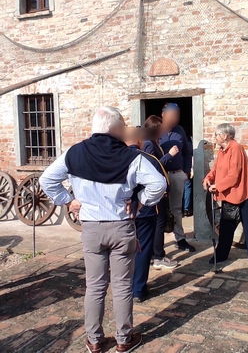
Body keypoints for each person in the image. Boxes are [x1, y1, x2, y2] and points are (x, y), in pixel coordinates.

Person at [40, 107, 166, 353]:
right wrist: (141, 200)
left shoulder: (74, 153)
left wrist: (67, 200)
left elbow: (46, 179)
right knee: (121, 286)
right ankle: (123, 339)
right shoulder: (133, 157)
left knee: (95, 286)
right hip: (121, 227)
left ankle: (95, 341)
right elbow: (159, 183)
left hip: (92, 229)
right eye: (123, 126)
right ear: (115, 129)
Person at [202, 123, 248, 269]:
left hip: (245, 193)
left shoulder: (236, 148)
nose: (215, 137)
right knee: (226, 226)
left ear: (225, 136)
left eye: (216, 134)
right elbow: (216, 169)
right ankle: (221, 254)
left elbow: (234, 175)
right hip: (230, 194)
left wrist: (218, 186)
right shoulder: (222, 151)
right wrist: (208, 178)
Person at [124, 127, 170, 302]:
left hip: (119, 212)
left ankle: (124, 287)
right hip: (144, 212)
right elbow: (164, 184)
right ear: (139, 141)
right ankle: (137, 289)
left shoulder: (113, 158)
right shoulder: (149, 159)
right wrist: (142, 201)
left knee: (123, 251)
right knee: (142, 251)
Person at [142, 115, 179, 269]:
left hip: (160, 188)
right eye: (161, 128)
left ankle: (153, 254)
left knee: (158, 222)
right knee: (159, 222)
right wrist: (169, 155)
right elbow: (153, 166)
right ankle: (158, 256)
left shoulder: (154, 142)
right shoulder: (148, 144)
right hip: (156, 190)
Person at [158, 103, 196, 252]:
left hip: (177, 174)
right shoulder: (155, 129)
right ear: (163, 114)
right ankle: (157, 244)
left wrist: (186, 171)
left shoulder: (180, 131)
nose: (176, 117)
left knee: (177, 209)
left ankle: (180, 238)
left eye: (177, 114)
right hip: (161, 177)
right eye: (172, 114)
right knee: (159, 210)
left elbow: (187, 151)